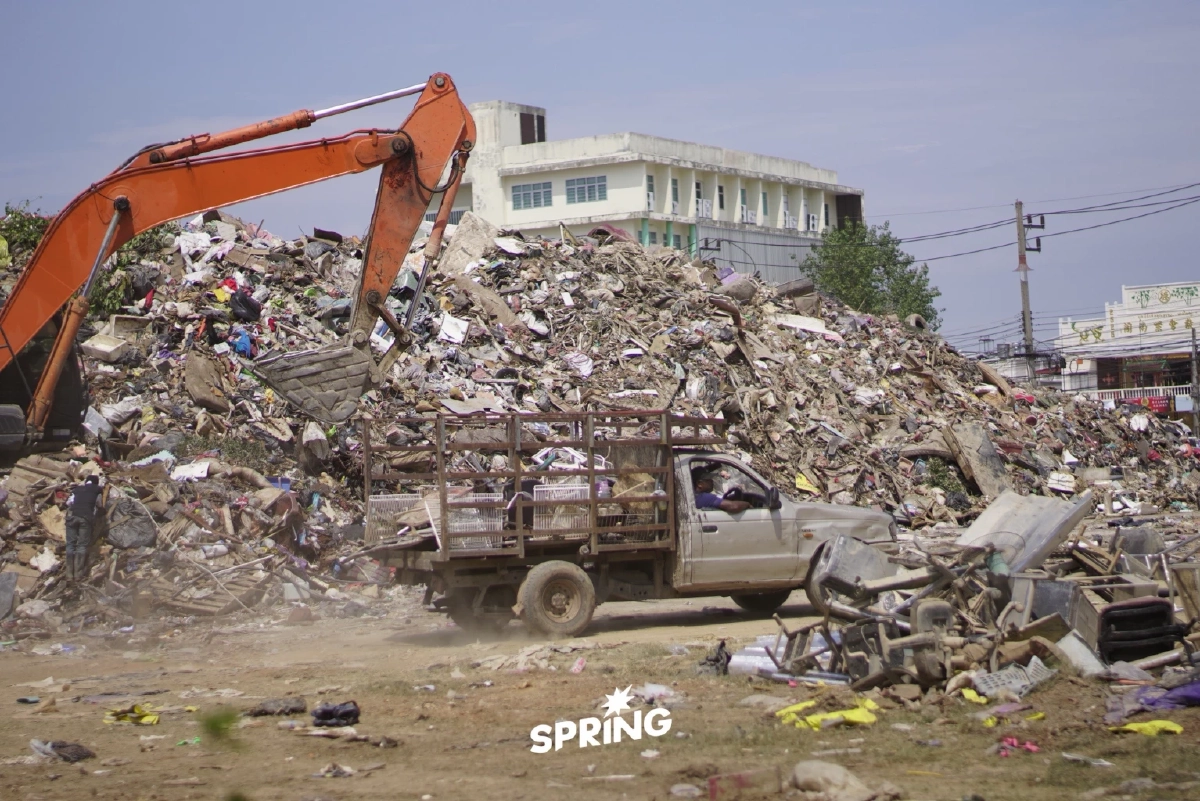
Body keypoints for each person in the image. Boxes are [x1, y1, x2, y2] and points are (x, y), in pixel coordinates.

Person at [65, 475, 103, 582]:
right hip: (85, 518)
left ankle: (69, 574)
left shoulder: (77, 489)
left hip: (72, 517)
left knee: (70, 544)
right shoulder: (97, 490)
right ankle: (78, 575)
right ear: (96, 482)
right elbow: (99, 504)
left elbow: (68, 503)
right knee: (81, 546)